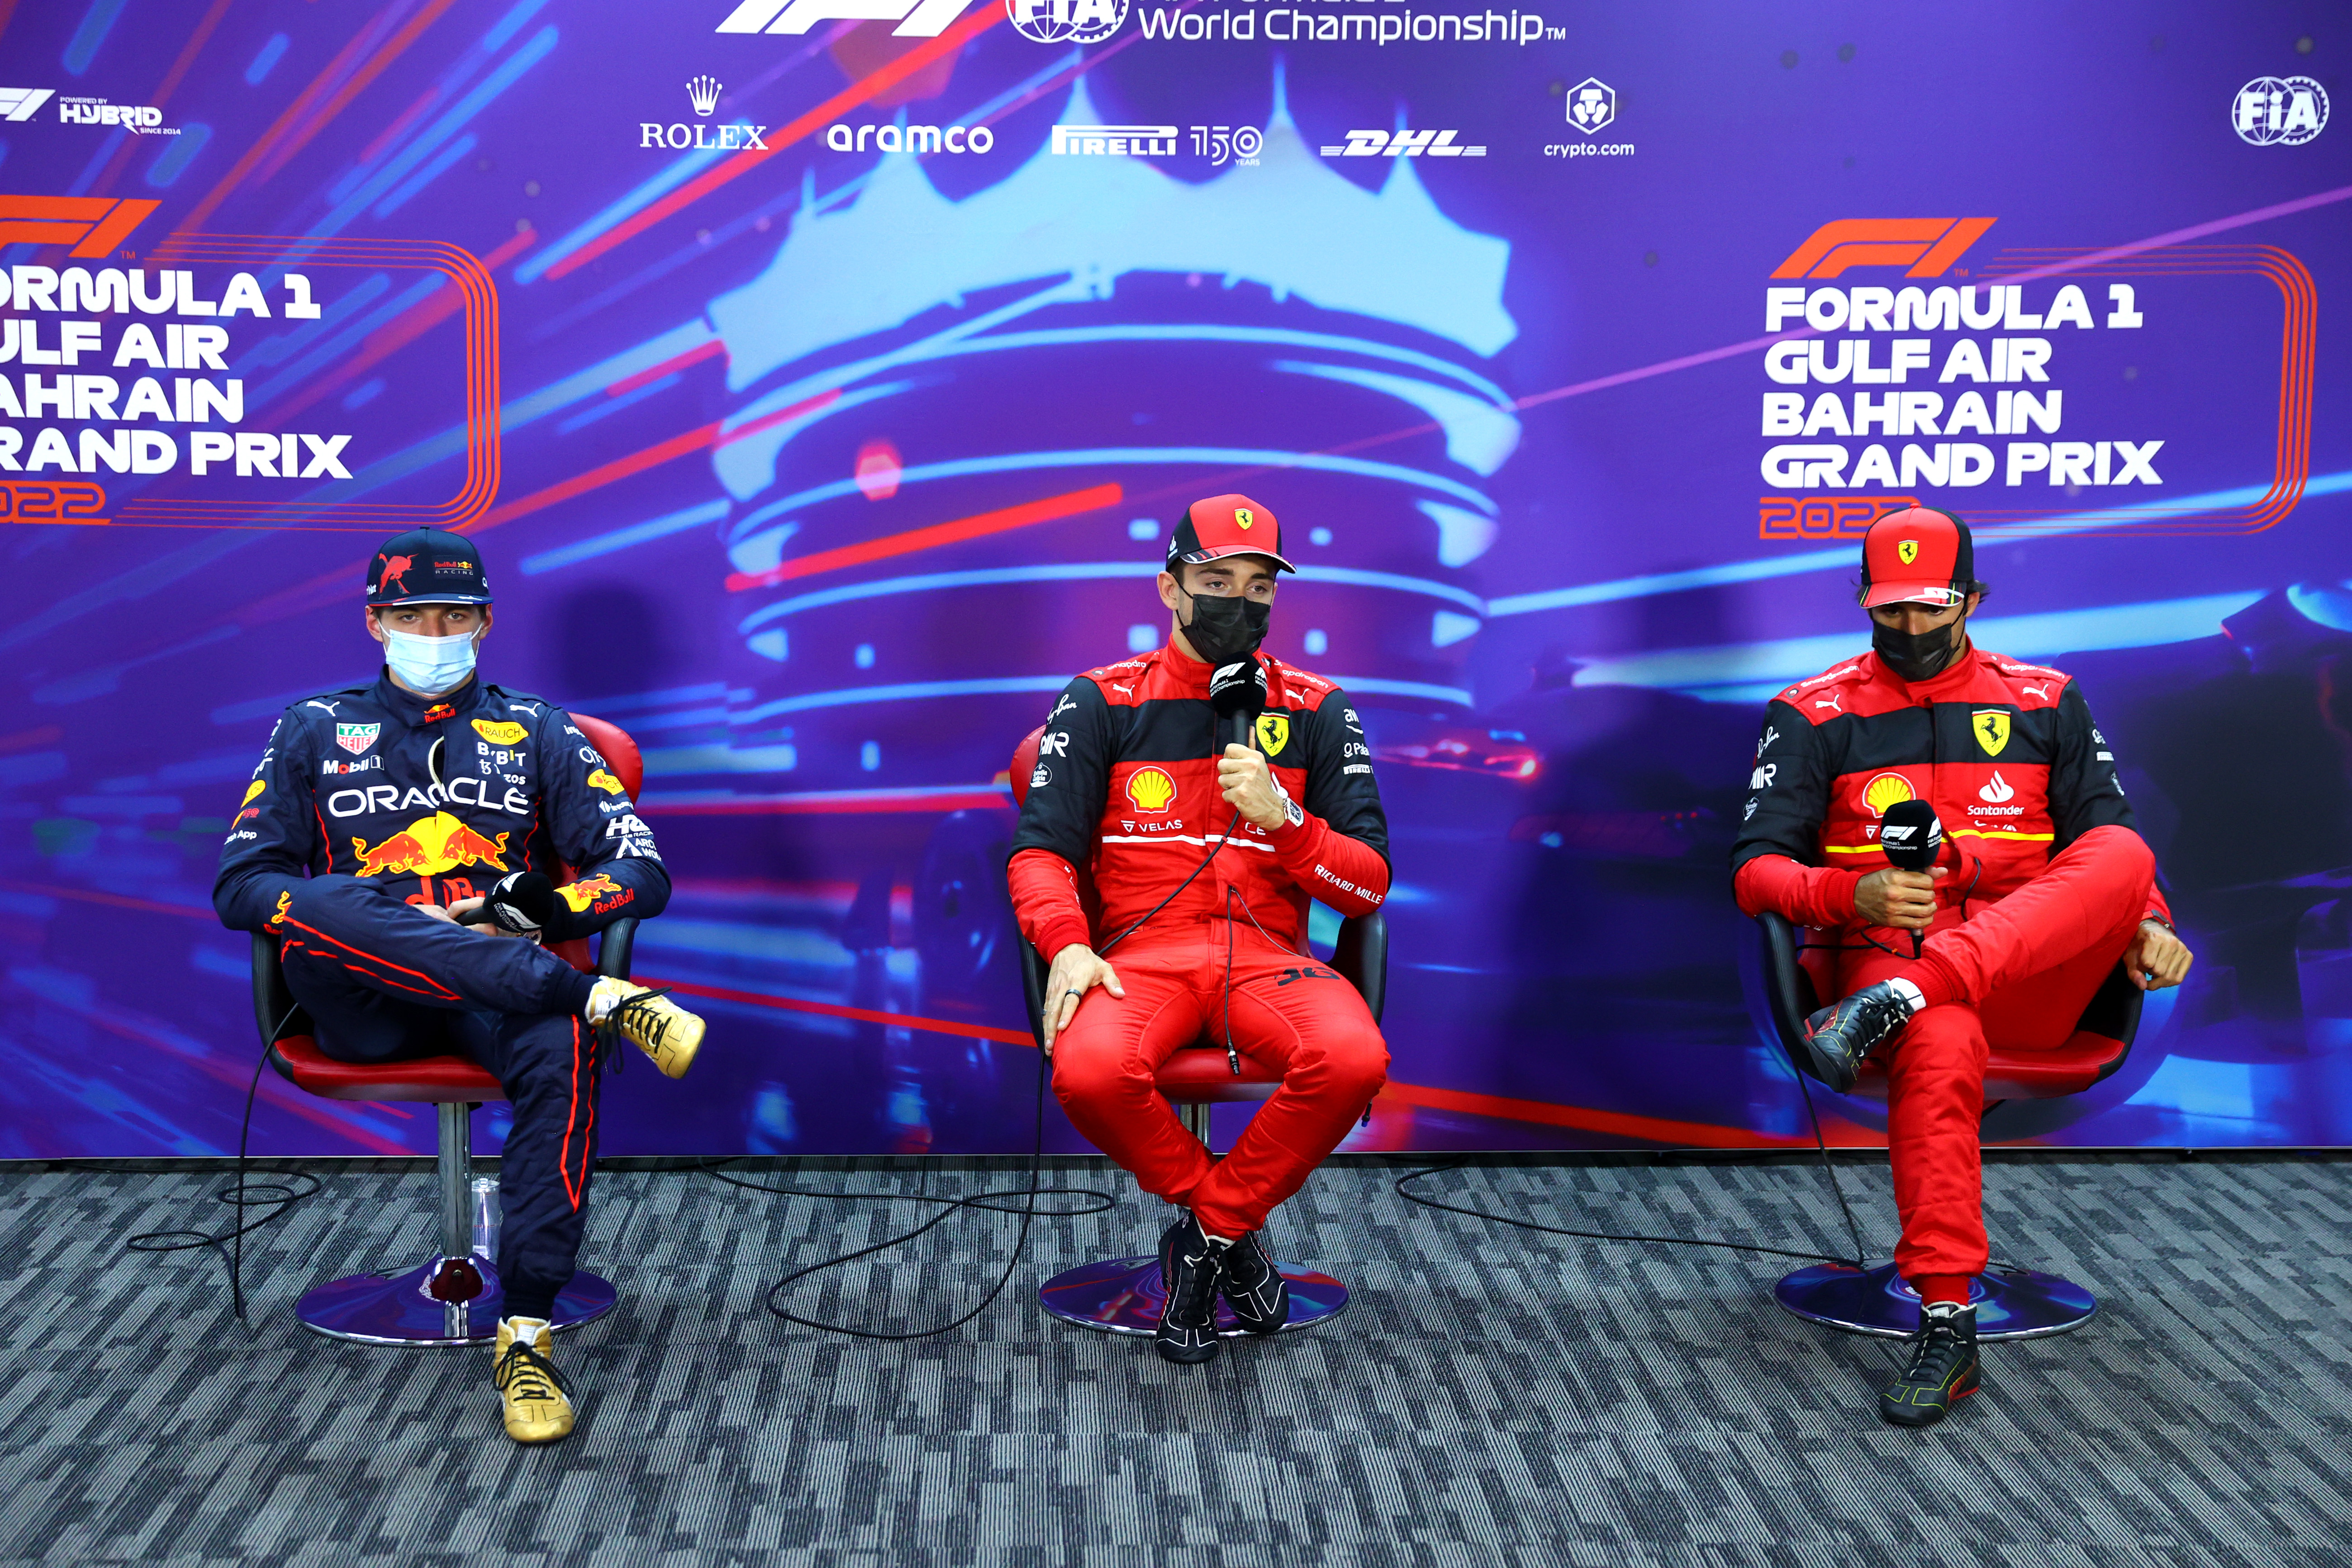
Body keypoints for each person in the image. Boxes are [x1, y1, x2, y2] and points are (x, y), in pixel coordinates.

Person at [214, 527, 708, 1445]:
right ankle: (595, 996)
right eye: (410, 614)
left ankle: (524, 1328)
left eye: (453, 614)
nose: (431, 630)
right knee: (323, 908)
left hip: (499, 988)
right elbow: (242, 883)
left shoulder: (536, 729)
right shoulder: (312, 727)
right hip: (362, 1000)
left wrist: (532, 913)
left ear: (484, 622)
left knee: (559, 1040)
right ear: (374, 621)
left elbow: (639, 872)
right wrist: (371, 917)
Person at [1730, 505, 2192, 1427]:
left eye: (1930, 608)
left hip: (2032, 983)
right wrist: (1845, 897)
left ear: (1971, 598)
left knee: (2122, 854)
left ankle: (1917, 988)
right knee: (1937, 1029)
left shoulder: (2045, 700)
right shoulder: (1810, 711)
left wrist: (2147, 921)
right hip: (1883, 981)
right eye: (1890, 608)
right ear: (1863, 597)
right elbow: (1754, 872)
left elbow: (2109, 849)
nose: (1909, 628)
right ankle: (1946, 1323)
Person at [1008, 494, 1392, 1365]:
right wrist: (1068, 942)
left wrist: (1283, 817)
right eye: (1216, 581)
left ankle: (1204, 1238)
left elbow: (1366, 887)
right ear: (1170, 588)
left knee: (1356, 1058)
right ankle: (1234, 1230)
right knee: (1093, 1071)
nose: (1239, 603)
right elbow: (1039, 855)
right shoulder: (1101, 700)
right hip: (1141, 955)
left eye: (1259, 587)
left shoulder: (1320, 708)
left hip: (1268, 961)